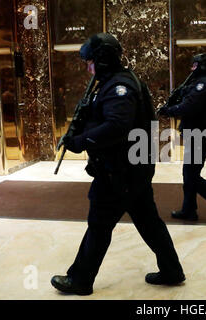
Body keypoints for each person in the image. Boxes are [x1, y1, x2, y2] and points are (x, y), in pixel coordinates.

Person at [51, 33, 185, 296]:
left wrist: (80, 141)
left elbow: (117, 126)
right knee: (148, 222)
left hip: (119, 171)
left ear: (101, 60)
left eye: (89, 62)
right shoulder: (117, 81)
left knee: (99, 224)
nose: (88, 68)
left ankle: (80, 279)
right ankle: (172, 270)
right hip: (132, 169)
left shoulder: (118, 87)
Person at [157, 53, 206, 223]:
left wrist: (168, 110)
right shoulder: (202, 82)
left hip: (199, 133)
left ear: (202, 66)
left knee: (191, 175)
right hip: (197, 132)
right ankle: (189, 210)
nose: (191, 69)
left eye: (195, 65)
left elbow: (190, 107)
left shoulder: (204, 83)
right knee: (189, 173)